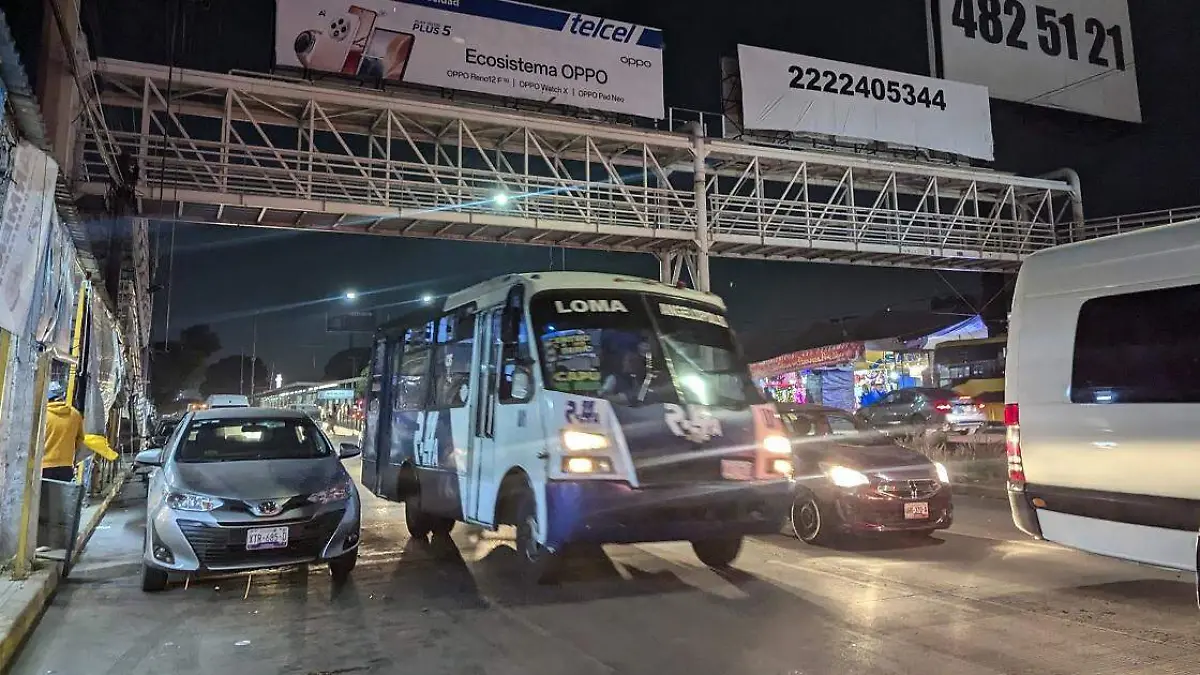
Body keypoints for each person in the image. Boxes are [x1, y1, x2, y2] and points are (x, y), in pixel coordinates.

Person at [43, 381, 85, 482]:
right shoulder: (75, 415)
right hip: (66, 466)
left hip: (43, 466)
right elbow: (80, 440)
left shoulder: (43, 415)